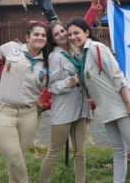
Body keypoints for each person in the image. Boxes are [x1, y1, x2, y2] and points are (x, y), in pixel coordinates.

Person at [66, 18, 130, 183]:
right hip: (107, 110)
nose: (73, 37)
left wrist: (129, 104)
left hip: (122, 106)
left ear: (86, 33)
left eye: (76, 33)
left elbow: (117, 76)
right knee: (118, 152)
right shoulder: (81, 55)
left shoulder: (96, 48)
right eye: (70, 34)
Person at [0, 21, 48, 183]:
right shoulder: (11, 48)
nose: (39, 37)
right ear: (27, 37)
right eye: (36, 34)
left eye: (43, 35)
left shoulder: (47, 61)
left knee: (18, 158)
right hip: (1, 110)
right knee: (14, 157)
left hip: (28, 114)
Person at [39, 21, 91, 183]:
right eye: (57, 34)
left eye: (63, 31)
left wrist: (88, 109)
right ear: (52, 39)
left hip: (80, 110)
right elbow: (52, 86)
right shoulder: (55, 57)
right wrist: (68, 83)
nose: (62, 35)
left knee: (80, 152)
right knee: (54, 151)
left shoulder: (75, 54)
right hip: (63, 113)